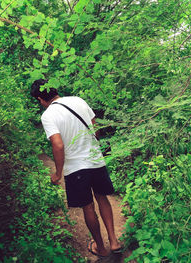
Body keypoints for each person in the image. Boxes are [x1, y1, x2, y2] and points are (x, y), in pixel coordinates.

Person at [30, 79, 121, 257]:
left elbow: (58, 145)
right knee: (102, 198)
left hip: (76, 168)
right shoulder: (79, 101)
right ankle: (115, 241)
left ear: (41, 99)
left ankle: (101, 248)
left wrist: (57, 173)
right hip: (95, 160)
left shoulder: (48, 115)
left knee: (88, 207)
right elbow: (96, 129)